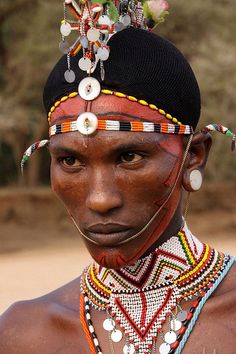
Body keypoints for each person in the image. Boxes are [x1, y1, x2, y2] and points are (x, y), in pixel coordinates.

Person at [0, 1, 235, 353]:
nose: (100, 199)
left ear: (195, 157)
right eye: (70, 160)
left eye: (129, 156)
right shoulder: (25, 334)